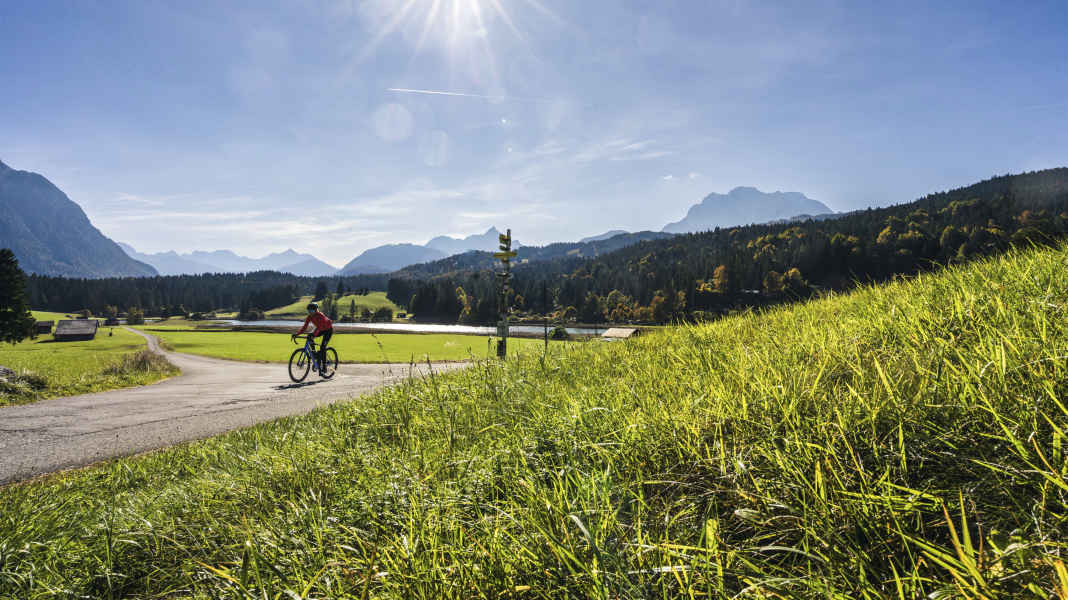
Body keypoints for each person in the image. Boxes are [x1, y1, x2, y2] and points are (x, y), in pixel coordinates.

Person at [292, 302, 333, 374]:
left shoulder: (320, 316)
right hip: (320, 329)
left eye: (311, 310)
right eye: (309, 311)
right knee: (309, 336)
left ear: (316, 310)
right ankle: (314, 352)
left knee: (322, 347)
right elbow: (304, 327)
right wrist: (297, 334)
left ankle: (324, 366)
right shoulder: (310, 317)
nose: (310, 312)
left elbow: (319, 327)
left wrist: (313, 335)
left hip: (328, 330)